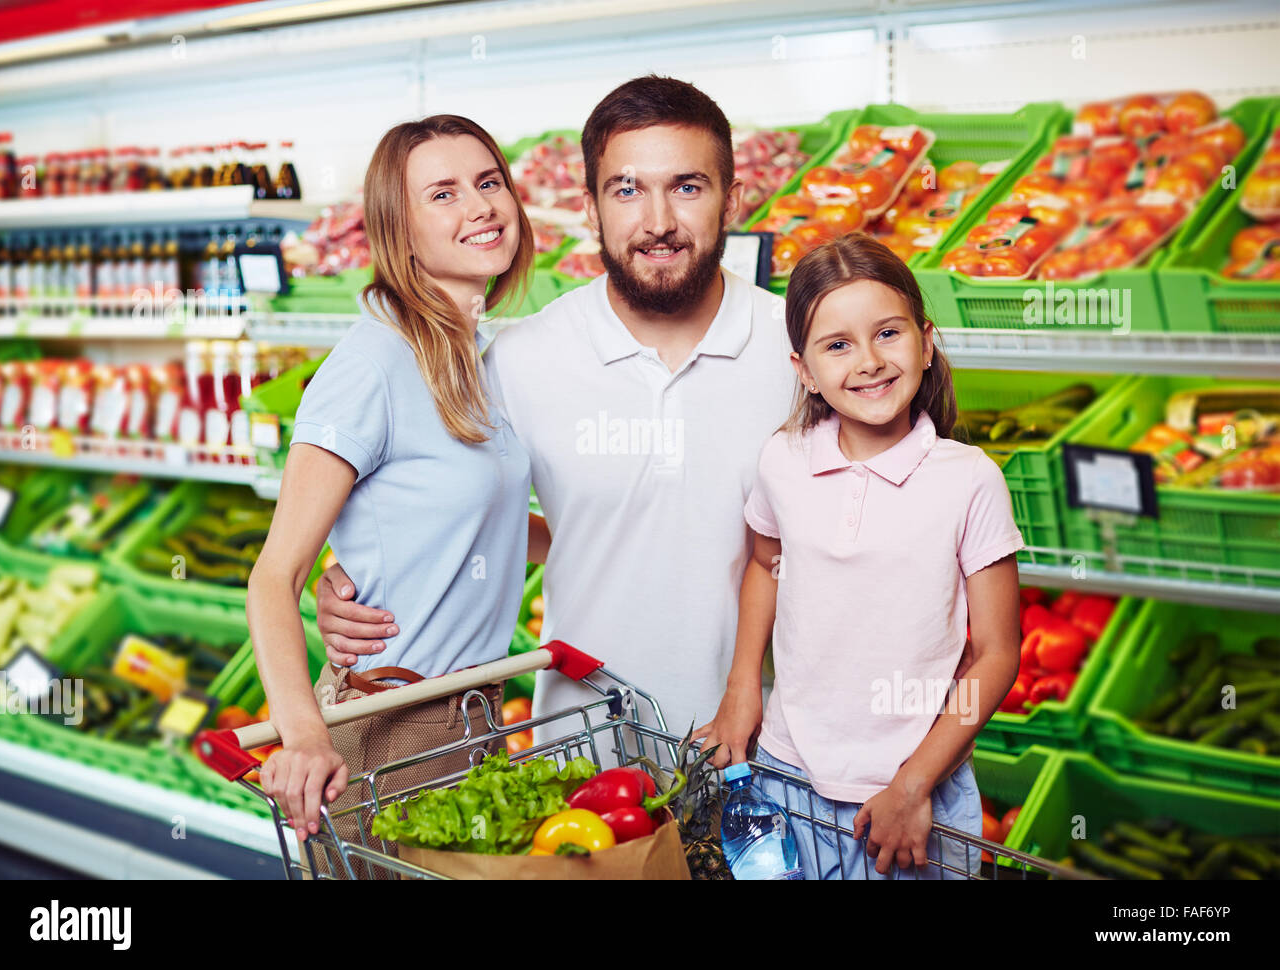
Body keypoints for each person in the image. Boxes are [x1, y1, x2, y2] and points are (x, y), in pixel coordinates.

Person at [315, 76, 797, 744]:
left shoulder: (801, 352)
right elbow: (452, 501)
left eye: (687, 186)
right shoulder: (520, 360)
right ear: (591, 208)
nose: (658, 221)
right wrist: (352, 580)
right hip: (579, 741)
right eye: (626, 189)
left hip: (775, 743)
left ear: (734, 201)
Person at [246, 114, 542, 870]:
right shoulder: (373, 364)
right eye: (443, 194)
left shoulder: (476, 354)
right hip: (389, 728)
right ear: (400, 232)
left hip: (470, 722)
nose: (480, 206)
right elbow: (273, 577)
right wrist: (304, 732)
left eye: (488, 182)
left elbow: (486, 523)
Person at [694, 233, 1023, 879]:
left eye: (888, 334)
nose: (868, 361)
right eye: (838, 345)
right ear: (805, 371)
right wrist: (742, 692)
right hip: (788, 772)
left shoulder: (969, 478)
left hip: (912, 787)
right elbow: (765, 564)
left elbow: (997, 653)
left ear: (926, 343)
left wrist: (914, 783)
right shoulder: (782, 460)